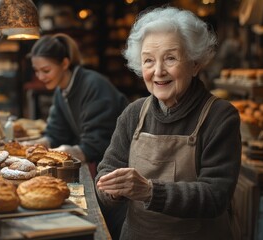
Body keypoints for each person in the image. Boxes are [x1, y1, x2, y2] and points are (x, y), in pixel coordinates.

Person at [95, 6, 242, 240]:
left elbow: (216, 195)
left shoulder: (220, 116)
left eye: (170, 58)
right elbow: (105, 172)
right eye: (148, 61)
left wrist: (149, 191)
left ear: (195, 63)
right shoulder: (133, 113)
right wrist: (112, 191)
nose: (158, 71)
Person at [26, 33, 129, 177]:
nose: (40, 77)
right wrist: (39, 145)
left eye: (46, 70)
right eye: (36, 71)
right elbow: (57, 133)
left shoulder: (93, 85)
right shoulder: (61, 91)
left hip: (120, 167)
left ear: (65, 63)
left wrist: (58, 153)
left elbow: (96, 144)